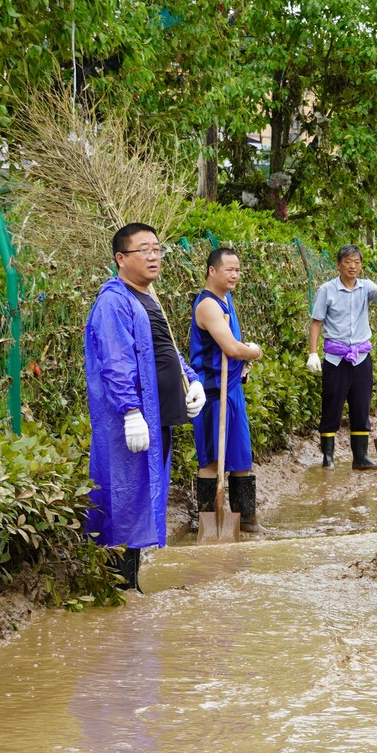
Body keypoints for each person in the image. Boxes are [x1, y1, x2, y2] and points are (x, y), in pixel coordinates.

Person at [84, 222, 205, 590]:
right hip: (132, 420)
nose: (154, 256)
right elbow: (115, 361)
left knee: (142, 495)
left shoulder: (147, 295)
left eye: (157, 248)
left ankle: (132, 585)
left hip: (157, 414)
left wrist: (191, 377)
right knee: (124, 494)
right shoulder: (113, 301)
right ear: (121, 259)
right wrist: (131, 412)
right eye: (144, 250)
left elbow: (163, 346)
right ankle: (118, 587)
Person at [189, 246, 265, 533]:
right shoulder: (208, 305)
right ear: (212, 270)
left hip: (232, 389)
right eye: (229, 269)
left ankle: (246, 518)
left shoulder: (226, 299)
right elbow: (233, 348)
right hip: (211, 394)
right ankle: (208, 521)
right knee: (211, 460)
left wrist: (244, 354)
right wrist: (254, 352)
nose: (235, 274)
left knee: (241, 456)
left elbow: (235, 343)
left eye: (237, 269)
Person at [306, 245, 377, 470]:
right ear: (338, 265)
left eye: (357, 262)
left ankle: (361, 457)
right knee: (332, 405)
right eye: (348, 262)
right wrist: (312, 353)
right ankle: (328, 457)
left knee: (361, 405)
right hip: (335, 358)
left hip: (361, 358)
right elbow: (316, 322)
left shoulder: (365, 286)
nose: (353, 266)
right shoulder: (327, 290)